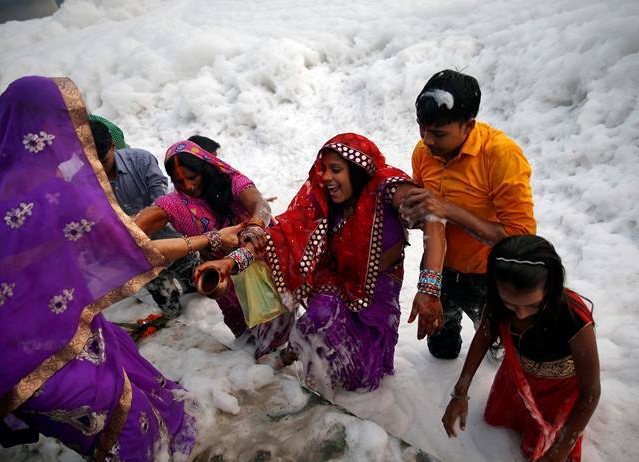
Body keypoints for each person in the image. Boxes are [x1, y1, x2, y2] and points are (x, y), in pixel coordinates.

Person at [0, 76, 241, 460]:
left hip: (44, 340)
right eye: (64, 123)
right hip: (42, 356)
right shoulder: (58, 193)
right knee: (126, 427)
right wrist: (211, 240)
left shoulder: (33, 184)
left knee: (128, 371)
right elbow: (134, 245)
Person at [195, 133, 446, 397]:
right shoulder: (321, 195)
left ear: (358, 170)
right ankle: (294, 362)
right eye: (324, 169)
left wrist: (429, 288)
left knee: (363, 379)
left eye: (336, 170)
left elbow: (432, 215)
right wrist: (232, 261)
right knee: (317, 320)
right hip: (335, 280)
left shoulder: (385, 187)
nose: (326, 177)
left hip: (379, 291)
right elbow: (279, 235)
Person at [401, 69, 537, 359]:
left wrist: (450, 210)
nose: (426, 140)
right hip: (441, 270)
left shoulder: (501, 156)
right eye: (421, 128)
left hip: (486, 277)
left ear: (468, 126)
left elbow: (522, 241)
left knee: (497, 346)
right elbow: (430, 217)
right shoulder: (424, 152)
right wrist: (413, 216)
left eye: (438, 133)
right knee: (441, 349)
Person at [441, 235, 600, 462]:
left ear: (551, 288)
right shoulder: (496, 305)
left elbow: (590, 393)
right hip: (516, 381)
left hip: (558, 393)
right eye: (510, 304)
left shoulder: (573, 318)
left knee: (545, 441)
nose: (521, 314)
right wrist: (460, 392)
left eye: (533, 305)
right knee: (510, 422)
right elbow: (484, 337)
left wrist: (558, 452)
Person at [134, 139, 272, 338]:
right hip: (222, 275)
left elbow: (260, 204)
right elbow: (132, 234)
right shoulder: (174, 204)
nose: (188, 186)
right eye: (179, 181)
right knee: (241, 322)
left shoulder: (231, 181)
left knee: (276, 315)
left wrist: (256, 226)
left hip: (259, 257)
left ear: (205, 169)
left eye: (192, 177)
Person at [89, 118, 199, 319]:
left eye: (103, 161)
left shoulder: (141, 160)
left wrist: (137, 224)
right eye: (93, 164)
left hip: (173, 241)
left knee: (199, 293)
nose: (100, 170)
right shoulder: (85, 182)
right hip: (141, 259)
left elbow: (162, 202)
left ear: (113, 146)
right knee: (170, 309)